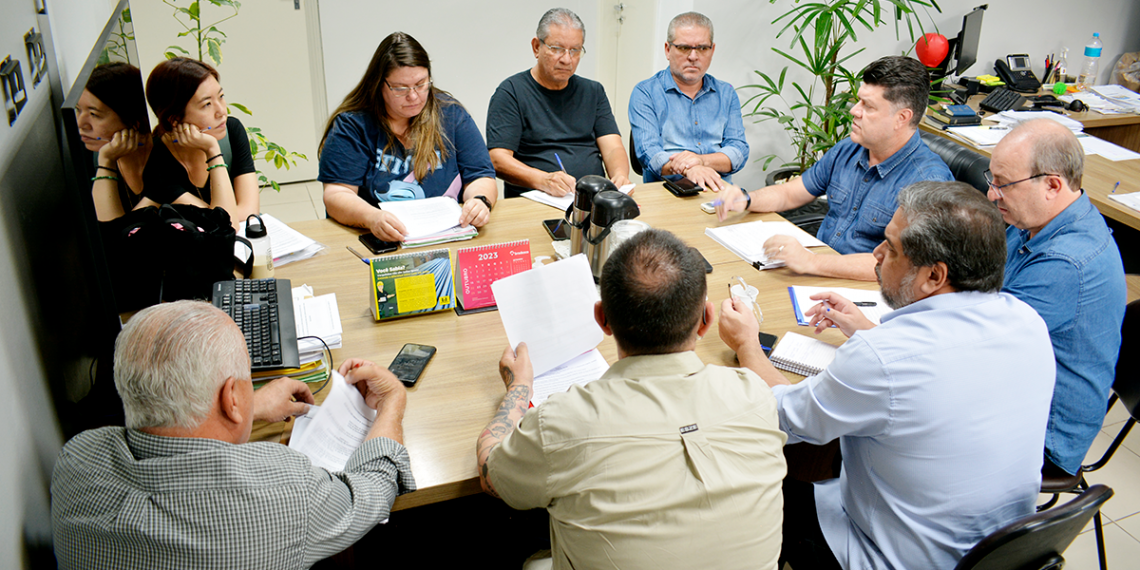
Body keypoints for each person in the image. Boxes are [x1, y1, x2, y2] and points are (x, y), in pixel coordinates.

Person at [719, 181, 1055, 569]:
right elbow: (943, 368)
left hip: (890, 557)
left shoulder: (882, 359)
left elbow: (783, 418)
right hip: (997, 555)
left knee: (755, 489)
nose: (876, 254)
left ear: (934, 276)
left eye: (891, 248)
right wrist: (867, 331)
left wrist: (746, 344)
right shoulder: (1028, 322)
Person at [477, 229, 787, 570]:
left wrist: (518, 389)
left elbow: (493, 475)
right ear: (706, 320)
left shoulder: (562, 421)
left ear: (602, 319)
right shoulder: (756, 396)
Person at [51, 300, 414, 569]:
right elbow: (372, 491)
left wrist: (249, 407)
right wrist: (392, 401)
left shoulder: (76, 460)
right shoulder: (284, 492)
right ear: (230, 398)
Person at [716, 56, 953, 282]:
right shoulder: (850, 148)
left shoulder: (929, 183)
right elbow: (791, 192)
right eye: (859, 101)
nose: (854, 111)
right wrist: (746, 200)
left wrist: (812, 261)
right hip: (819, 272)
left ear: (902, 118)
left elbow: (906, 267)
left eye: (868, 106)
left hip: (865, 289)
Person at [988, 119, 1126, 476]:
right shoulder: (1037, 221)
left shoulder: (1065, 264)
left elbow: (978, 346)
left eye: (1003, 183)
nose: (992, 194)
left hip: (1043, 440)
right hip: (1012, 388)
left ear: (1052, 185)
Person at [320, 32, 497, 242]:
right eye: (400, 88)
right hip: (381, 237)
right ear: (379, 84)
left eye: (421, 84)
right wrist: (372, 218)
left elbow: (480, 175)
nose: (413, 96)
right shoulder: (353, 125)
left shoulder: (450, 114)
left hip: (447, 233)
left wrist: (480, 201)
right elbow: (337, 194)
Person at [486, 8, 630, 198]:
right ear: (536, 47)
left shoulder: (593, 91)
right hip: (536, 198)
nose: (567, 59)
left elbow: (612, 148)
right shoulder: (511, 92)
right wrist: (543, 180)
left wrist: (620, 175)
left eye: (575, 50)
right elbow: (498, 159)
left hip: (590, 198)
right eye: (557, 49)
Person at [628, 12, 749, 191]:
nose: (693, 56)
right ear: (668, 50)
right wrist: (690, 169)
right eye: (684, 48)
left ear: (712, 50)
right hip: (665, 193)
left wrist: (701, 161)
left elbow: (738, 150)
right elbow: (649, 153)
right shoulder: (645, 92)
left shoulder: (726, 93)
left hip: (717, 192)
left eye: (702, 48)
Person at [143, 58, 258, 228]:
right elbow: (225, 224)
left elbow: (250, 211)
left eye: (221, 97)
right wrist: (212, 151)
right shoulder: (157, 156)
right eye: (207, 104)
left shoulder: (232, 130)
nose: (221, 111)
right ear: (174, 119)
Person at [76, 62, 155, 220]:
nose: (80, 124)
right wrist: (106, 162)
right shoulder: (86, 156)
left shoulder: (169, 156)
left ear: (134, 122)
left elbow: (118, 230)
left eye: (94, 114)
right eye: (78, 110)